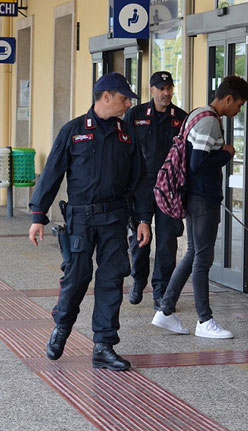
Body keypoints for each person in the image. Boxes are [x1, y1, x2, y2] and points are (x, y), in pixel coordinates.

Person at [28, 72, 152, 371]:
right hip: (81, 219)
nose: (127, 104)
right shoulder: (73, 131)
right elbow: (52, 173)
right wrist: (37, 215)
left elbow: (140, 181)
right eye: (124, 98)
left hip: (114, 219)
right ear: (105, 96)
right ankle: (61, 328)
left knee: (111, 281)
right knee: (76, 278)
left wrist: (144, 219)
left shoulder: (127, 135)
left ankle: (104, 346)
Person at [151, 75, 248, 339]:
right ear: (229, 98)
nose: (238, 111)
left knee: (192, 254)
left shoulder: (197, 113)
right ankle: (204, 320)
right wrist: (227, 154)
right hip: (202, 199)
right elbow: (199, 163)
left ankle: (165, 310)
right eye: (239, 105)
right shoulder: (209, 121)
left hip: (193, 196)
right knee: (203, 259)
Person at [124, 71, 187, 309]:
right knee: (140, 240)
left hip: (169, 190)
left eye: (169, 87)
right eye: (161, 88)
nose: (166, 92)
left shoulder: (180, 117)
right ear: (151, 90)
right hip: (140, 188)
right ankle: (139, 280)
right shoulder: (136, 115)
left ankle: (161, 291)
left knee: (166, 243)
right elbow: (125, 149)